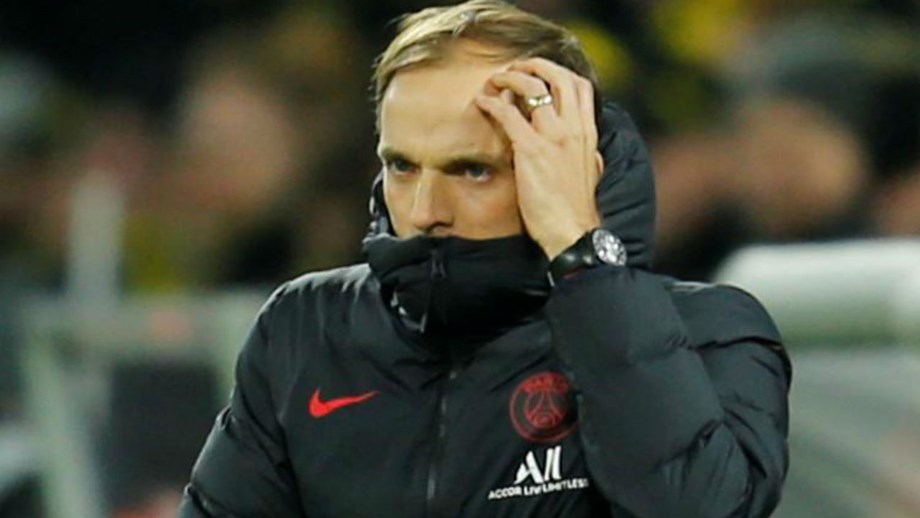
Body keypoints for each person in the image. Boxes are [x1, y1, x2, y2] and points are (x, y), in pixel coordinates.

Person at [176, 1, 791, 517]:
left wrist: (582, 253)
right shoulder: (309, 327)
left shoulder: (712, 332)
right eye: (402, 166)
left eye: (472, 170)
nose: (424, 211)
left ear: (570, 164)